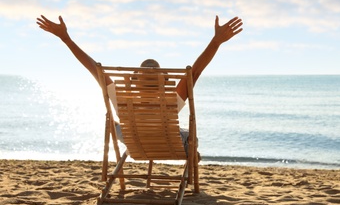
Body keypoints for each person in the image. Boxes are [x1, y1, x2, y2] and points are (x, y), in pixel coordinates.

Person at [36, 14, 243, 154]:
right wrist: (215, 42)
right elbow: (195, 72)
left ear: (134, 79)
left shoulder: (122, 96)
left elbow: (93, 67)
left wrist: (67, 39)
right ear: (164, 81)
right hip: (168, 142)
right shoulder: (172, 99)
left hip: (134, 142)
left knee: (113, 125)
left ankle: (125, 127)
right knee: (188, 135)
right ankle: (189, 148)